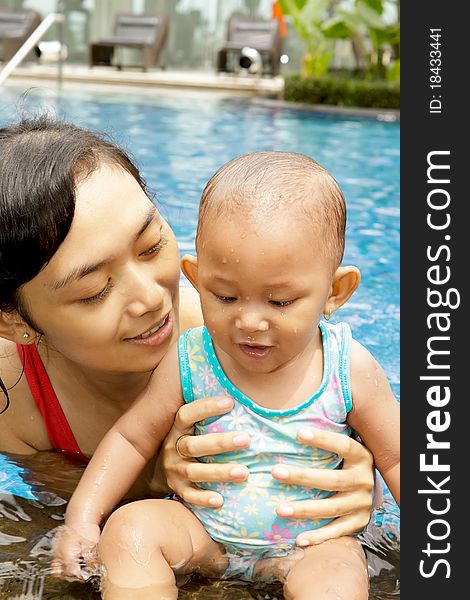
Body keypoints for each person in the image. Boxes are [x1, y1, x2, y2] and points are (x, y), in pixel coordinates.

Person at [0, 117, 375, 565]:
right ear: (12, 321)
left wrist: (362, 489)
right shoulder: (15, 404)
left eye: (152, 246)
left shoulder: (236, 335)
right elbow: (67, 512)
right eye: (95, 290)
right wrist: (158, 481)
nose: (152, 297)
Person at [55, 151, 400, 599]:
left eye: (279, 303)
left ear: (335, 292)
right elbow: (132, 438)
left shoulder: (345, 364)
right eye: (226, 297)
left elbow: (395, 457)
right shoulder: (194, 358)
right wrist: (82, 518)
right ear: (196, 279)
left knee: (336, 580)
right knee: (129, 530)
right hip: (205, 535)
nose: (250, 322)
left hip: (312, 545)